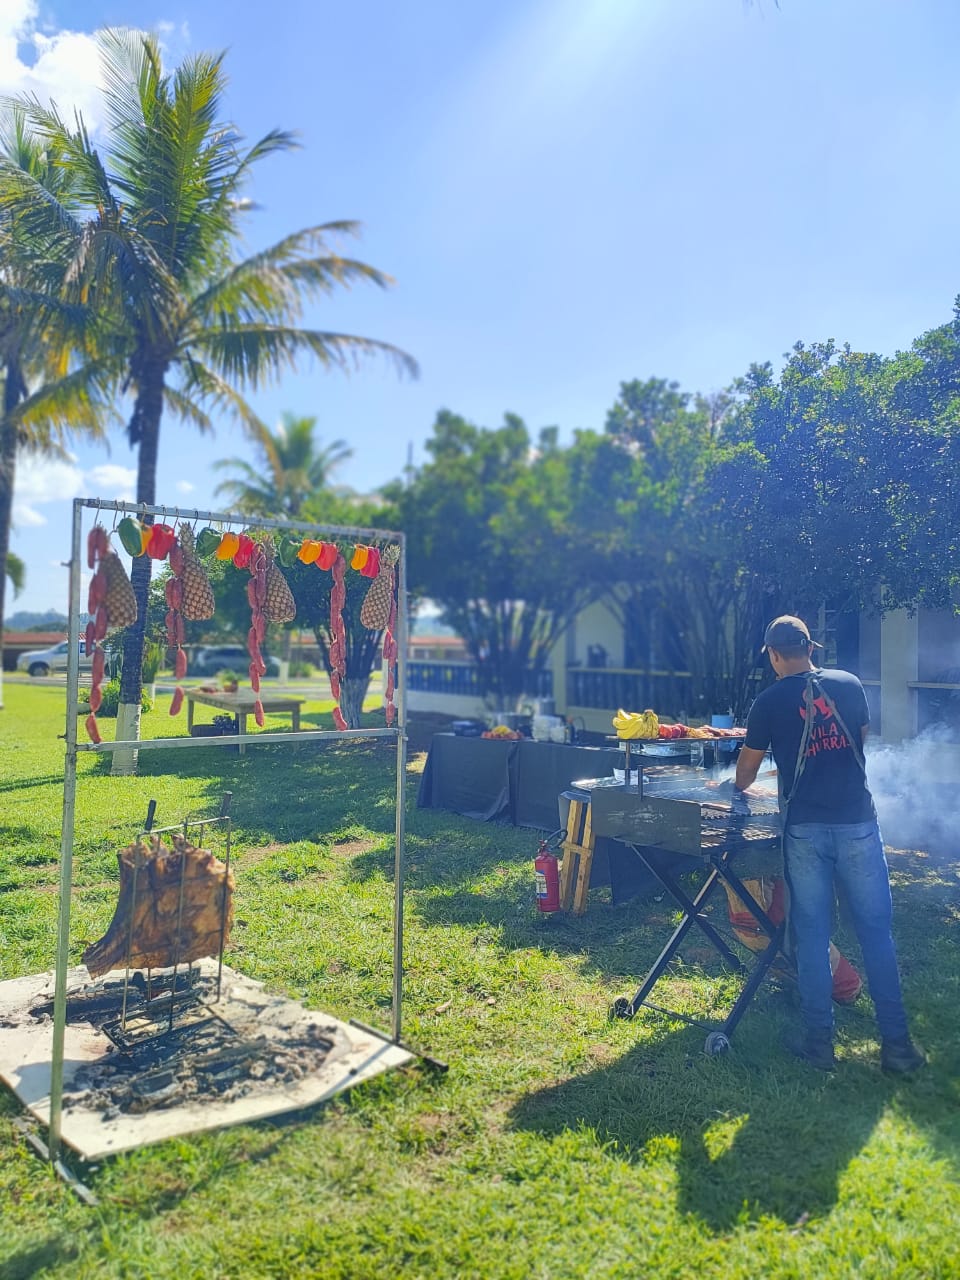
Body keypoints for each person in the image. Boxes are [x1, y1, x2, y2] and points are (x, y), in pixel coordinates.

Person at [734, 615, 925, 1074]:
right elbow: (857, 747)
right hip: (858, 823)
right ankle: (897, 1047)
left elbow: (743, 777)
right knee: (877, 934)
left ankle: (820, 1045)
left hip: (805, 832)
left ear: (774, 655)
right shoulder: (849, 684)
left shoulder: (768, 701)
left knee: (814, 936)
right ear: (811, 648)